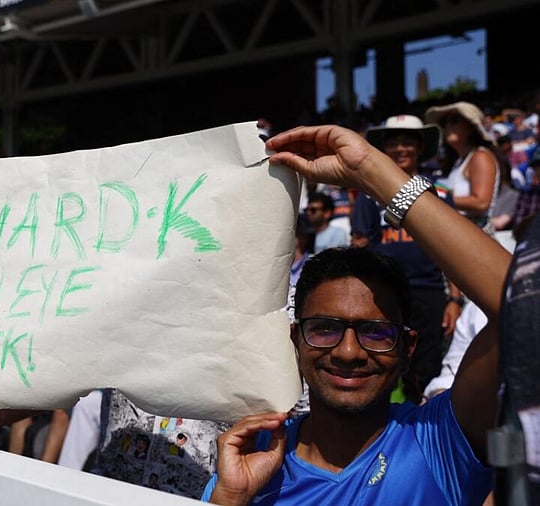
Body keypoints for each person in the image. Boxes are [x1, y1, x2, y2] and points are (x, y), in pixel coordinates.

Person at [201, 124, 509, 505]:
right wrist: (229, 498)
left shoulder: (439, 442)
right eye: (325, 329)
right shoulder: (250, 465)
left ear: (408, 346)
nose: (348, 352)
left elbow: (523, 305)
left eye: (375, 332)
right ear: (295, 339)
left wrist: (371, 171)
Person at [354, 115, 463, 402]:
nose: (401, 149)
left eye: (407, 143)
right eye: (394, 144)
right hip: (382, 294)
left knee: (426, 367)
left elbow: (450, 248)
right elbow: (360, 245)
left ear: (419, 148)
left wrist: (454, 300)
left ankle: (425, 433)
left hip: (428, 293)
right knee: (382, 361)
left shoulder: (439, 193)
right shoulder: (368, 194)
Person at [426, 101, 500, 232]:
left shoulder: (480, 156)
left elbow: (481, 202)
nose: (448, 126)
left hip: (477, 236)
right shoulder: (459, 162)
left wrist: (439, 198)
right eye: (444, 123)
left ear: (471, 126)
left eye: (454, 120)